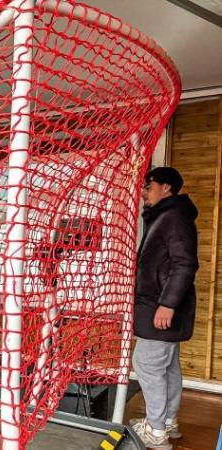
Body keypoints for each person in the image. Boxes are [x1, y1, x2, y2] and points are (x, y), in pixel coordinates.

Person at [130, 167, 198, 450]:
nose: (143, 191)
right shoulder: (166, 216)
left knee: (146, 364)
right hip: (158, 305)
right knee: (167, 368)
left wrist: (167, 305)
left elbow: (184, 264)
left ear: (167, 187)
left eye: (149, 185)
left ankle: (156, 432)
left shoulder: (174, 217)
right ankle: (167, 421)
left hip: (160, 306)